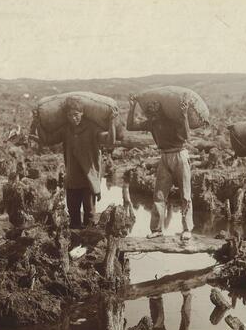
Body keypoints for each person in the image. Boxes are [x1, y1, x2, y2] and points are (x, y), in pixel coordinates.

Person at [36, 97, 117, 229]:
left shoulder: (92, 128)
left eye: (76, 114)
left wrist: (112, 121)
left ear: (82, 113)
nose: (73, 118)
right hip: (72, 179)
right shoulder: (66, 129)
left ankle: (88, 245)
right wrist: (38, 123)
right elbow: (47, 140)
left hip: (89, 178)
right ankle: (73, 245)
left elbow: (110, 140)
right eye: (69, 115)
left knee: (89, 215)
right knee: (73, 214)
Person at [126, 97, 193, 240]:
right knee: (159, 195)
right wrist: (132, 108)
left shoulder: (172, 120)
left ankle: (187, 229)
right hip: (164, 157)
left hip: (179, 154)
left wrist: (185, 115)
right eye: (150, 112)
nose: (152, 115)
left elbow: (187, 136)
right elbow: (130, 126)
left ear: (161, 111)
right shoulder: (151, 123)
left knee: (185, 194)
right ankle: (156, 229)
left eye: (155, 111)